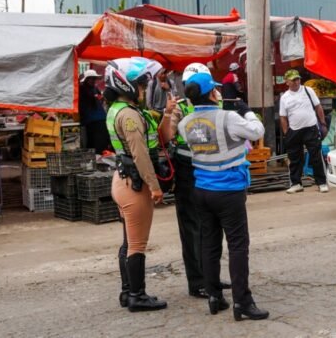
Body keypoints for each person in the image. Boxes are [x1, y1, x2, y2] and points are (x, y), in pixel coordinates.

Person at [179, 72, 268, 321]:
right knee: (238, 246)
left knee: (210, 244)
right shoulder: (228, 117)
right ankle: (242, 301)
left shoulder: (184, 123)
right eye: (216, 90)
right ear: (211, 93)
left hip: (202, 190)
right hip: (229, 191)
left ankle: (214, 296)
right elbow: (256, 131)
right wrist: (247, 110)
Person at [160, 62, 230, 299]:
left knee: (211, 226)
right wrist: (168, 112)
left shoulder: (216, 101)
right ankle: (197, 282)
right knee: (192, 227)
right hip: (187, 170)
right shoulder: (180, 108)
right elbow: (167, 136)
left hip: (210, 168)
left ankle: (211, 277)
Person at [103, 57, 167, 312]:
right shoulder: (129, 115)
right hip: (134, 184)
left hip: (122, 179)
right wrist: (154, 186)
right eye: (140, 85)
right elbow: (140, 154)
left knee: (128, 241)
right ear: (127, 85)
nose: (143, 90)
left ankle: (127, 292)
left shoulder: (117, 109)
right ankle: (137, 296)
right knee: (137, 243)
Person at [279, 69, 329, 194]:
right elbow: (283, 117)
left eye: (298, 79)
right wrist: (287, 133)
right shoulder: (284, 97)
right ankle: (296, 183)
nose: (296, 82)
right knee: (295, 158)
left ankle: (321, 183)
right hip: (294, 131)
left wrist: (322, 124)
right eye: (293, 80)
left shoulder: (308, 91)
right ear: (287, 82)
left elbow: (318, 107)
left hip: (311, 128)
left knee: (316, 156)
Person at [78, 69, 110, 153]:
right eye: (91, 78)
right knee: (93, 142)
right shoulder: (81, 88)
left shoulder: (95, 88)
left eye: (94, 78)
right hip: (90, 120)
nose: (93, 80)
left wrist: (101, 98)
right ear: (86, 79)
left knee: (101, 142)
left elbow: (100, 98)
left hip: (100, 118)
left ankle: (100, 158)